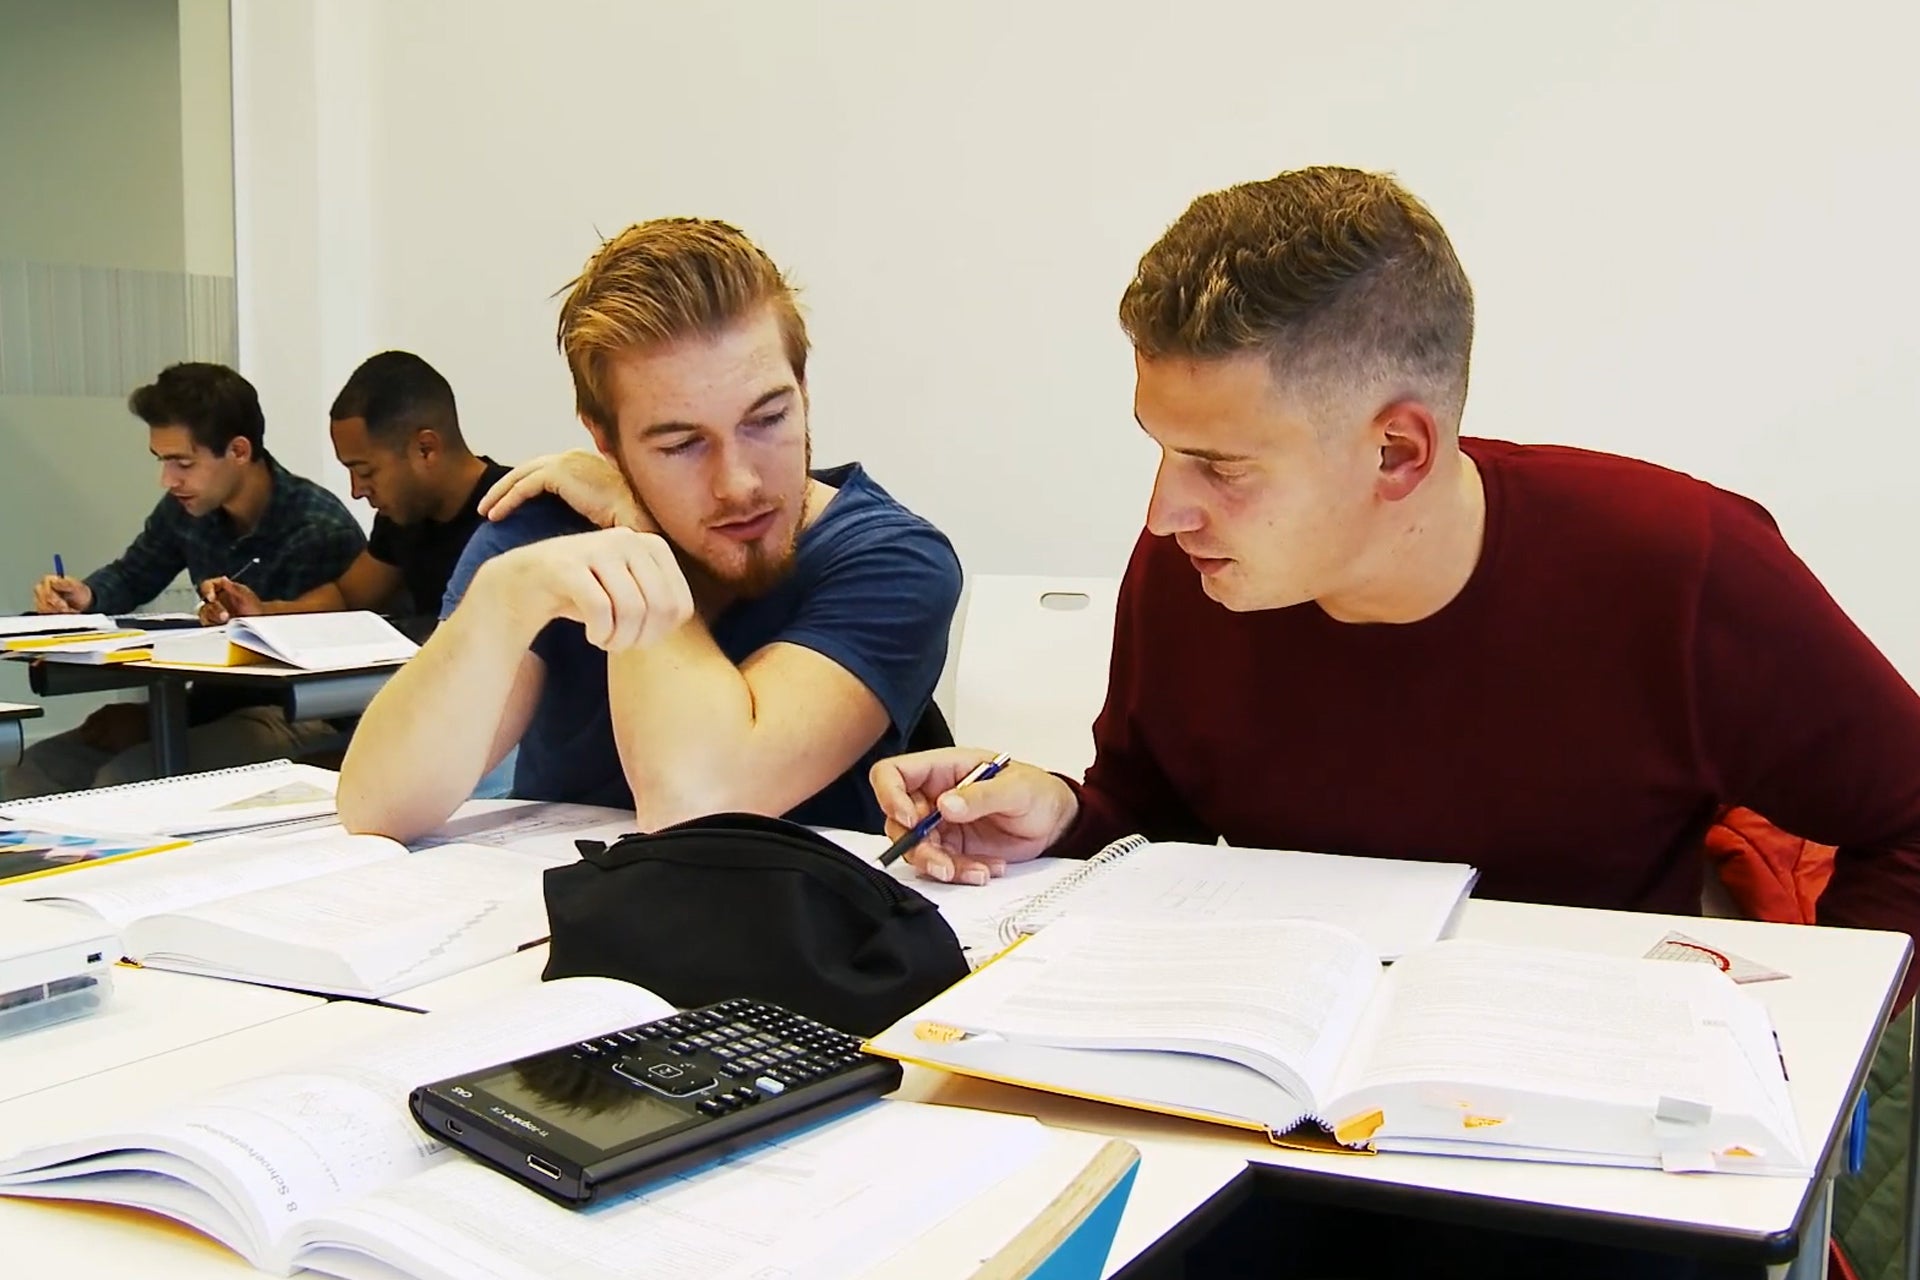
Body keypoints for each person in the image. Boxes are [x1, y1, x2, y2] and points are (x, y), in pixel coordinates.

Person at [871, 166, 1920, 1280]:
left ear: (1397, 452)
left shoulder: (1674, 566)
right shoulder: (1192, 574)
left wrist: (1786, 1046)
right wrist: (1062, 811)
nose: (1164, 510)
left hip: (1582, 1168)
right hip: (1273, 1125)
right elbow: (1156, 813)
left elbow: (1908, 819)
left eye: (1219, 465)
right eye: (1161, 447)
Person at [338, 218, 961, 840]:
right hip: (552, 895)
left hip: (788, 897)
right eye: (681, 445)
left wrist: (635, 527)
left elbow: (696, 801)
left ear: (803, 390)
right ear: (605, 442)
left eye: (768, 418)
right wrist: (501, 599)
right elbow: (378, 806)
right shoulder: (547, 531)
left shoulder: (895, 561)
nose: (738, 483)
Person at [7, 362, 365, 797]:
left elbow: (293, 673)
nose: (168, 480)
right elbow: (133, 573)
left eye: (183, 463)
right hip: (203, 704)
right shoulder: (188, 509)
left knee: (126, 780)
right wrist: (87, 596)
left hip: (299, 714)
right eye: (162, 460)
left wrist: (160, 720)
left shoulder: (317, 527)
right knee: (35, 772)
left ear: (238, 451)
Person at [199, 350, 511, 638]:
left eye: (365, 472)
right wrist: (262, 612)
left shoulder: (517, 513)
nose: (356, 490)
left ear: (425, 449)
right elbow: (348, 597)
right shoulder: (402, 518)